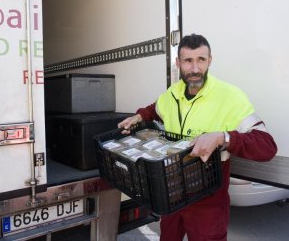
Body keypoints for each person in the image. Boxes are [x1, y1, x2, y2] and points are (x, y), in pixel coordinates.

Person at [118, 34, 277, 241]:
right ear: (178, 63)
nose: (195, 69)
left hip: (208, 201)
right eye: (188, 60)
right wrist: (140, 115)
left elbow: (267, 146)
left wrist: (222, 138)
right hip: (172, 193)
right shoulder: (172, 94)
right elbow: (155, 109)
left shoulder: (230, 96)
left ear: (210, 60)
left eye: (201, 60)